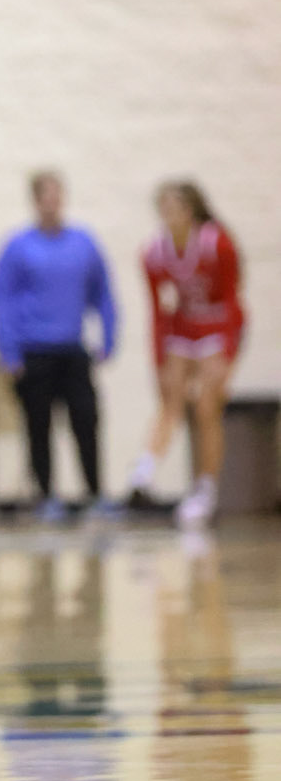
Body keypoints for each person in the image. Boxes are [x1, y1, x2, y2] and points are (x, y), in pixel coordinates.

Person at [0, 172, 117, 518]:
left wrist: (109, 336)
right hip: (34, 352)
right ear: (35, 200)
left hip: (72, 349)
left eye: (56, 195)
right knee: (38, 426)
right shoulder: (18, 247)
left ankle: (95, 493)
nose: (52, 202)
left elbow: (103, 293)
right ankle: (46, 494)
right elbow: (4, 300)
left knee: (86, 421)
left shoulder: (83, 243)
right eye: (45, 196)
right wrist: (9, 350)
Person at [128, 182, 245, 528]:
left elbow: (233, 300)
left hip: (217, 326)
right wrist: (158, 358)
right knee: (170, 402)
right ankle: (143, 475)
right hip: (182, 329)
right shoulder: (154, 253)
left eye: (175, 207)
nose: (168, 214)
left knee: (207, 406)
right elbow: (157, 311)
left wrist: (227, 350)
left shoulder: (216, 243)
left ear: (190, 210)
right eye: (162, 207)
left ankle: (205, 490)